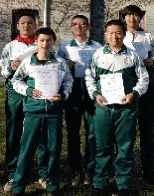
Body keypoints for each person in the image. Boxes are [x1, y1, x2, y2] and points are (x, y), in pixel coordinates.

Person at [85, 19, 149, 196]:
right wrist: (95, 94)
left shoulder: (133, 55)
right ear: (105, 35)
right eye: (111, 33)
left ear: (124, 34)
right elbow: (89, 77)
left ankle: (123, 184)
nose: (115, 36)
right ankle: (100, 183)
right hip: (103, 108)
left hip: (126, 109)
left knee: (125, 147)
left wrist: (134, 93)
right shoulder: (98, 55)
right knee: (102, 146)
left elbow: (144, 79)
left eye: (118, 32)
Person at [9, 27, 73, 196]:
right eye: (42, 40)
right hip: (33, 112)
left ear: (53, 42)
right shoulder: (28, 62)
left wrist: (63, 95)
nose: (45, 44)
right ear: (36, 42)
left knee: (53, 150)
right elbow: (16, 81)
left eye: (48, 40)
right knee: (27, 150)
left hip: (54, 113)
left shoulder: (60, 62)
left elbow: (68, 81)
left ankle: (52, 184)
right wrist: (29, 91)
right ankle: (18, 186)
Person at [0, 13, 49, 192]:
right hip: (16, 94)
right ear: (17, 26)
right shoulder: (10, 47)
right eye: (23, 23)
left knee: (42, 133)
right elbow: (3, 71)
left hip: (38, 92)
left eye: (30, 23)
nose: (26, 25)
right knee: (14, 133)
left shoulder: (42, 43)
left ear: (36, 25)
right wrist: (11, 68)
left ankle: (44, 173)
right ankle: (13, 173)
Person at [58, 15, 102, 187]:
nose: (79, 27)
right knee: (73, 131)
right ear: (71, 27)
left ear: (88, 27)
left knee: (93, 132)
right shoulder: (65, 47)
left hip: (92, 91)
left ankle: (91, 169)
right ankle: (75, 169)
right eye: (75, 24)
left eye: (82, 24)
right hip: (73, 91)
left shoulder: (97, 47)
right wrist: (66, 65)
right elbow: (57, 70)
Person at [121, 4, 154, 185]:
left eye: (135, 15)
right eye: (128, 15)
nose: (132, 19)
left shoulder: (148, 37)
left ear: (140, 17)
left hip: (147, 84)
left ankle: (149, 171)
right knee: (125, 130)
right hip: (127, 86)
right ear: (124, 18)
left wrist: (152, 61)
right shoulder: (121, 36)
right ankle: (124, 170)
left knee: (146, 128)